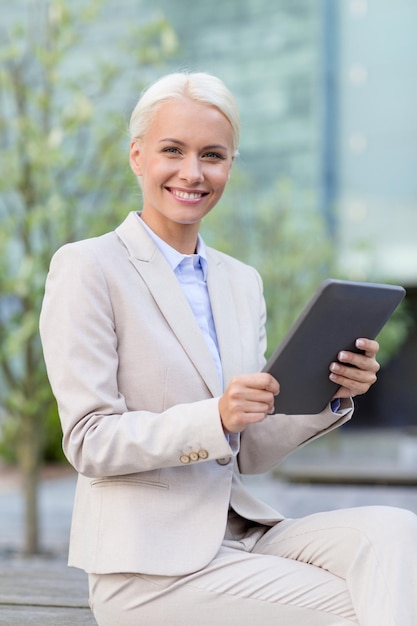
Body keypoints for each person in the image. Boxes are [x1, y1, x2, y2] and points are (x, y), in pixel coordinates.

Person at [39, 71, 417, 626]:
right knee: (358, 605)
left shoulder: (241, 282)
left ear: (230, 166)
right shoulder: (89, 267)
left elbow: (250, 452)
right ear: (138, 156)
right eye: (173, 150)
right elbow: (89, 440)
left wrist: (329, 395)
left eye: (212, 155)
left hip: (242, 534)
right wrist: (213, 416)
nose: (193, 172)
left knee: (398, 533)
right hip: (148, 570)